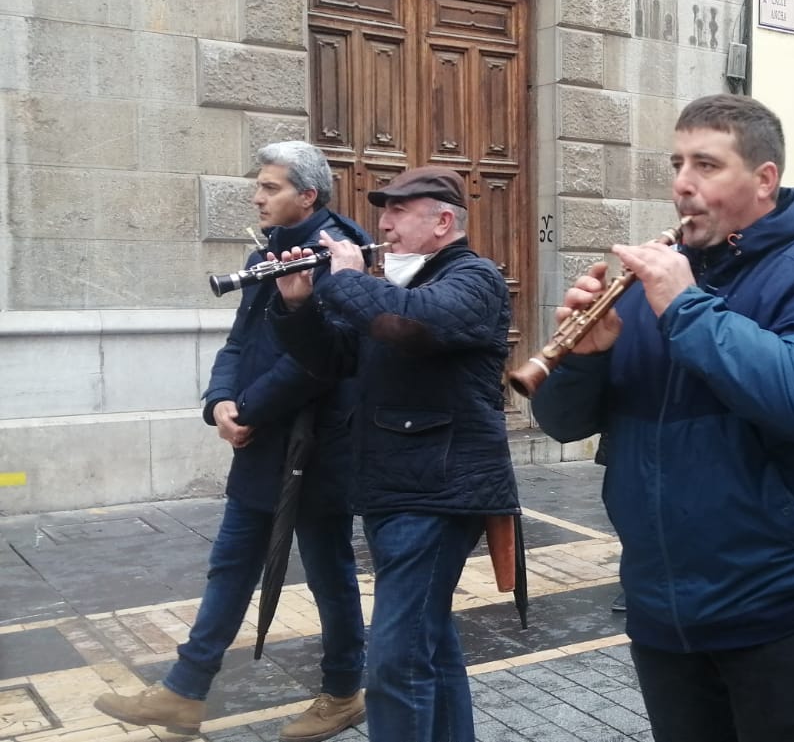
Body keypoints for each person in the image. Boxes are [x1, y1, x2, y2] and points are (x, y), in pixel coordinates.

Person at [529, 94, 794, 742]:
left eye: (706, 164)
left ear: (764, 179)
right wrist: (583, 358)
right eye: (676, 163)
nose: (682, 184)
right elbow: (561, 423)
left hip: (787, 605)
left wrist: (687, 307)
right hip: (665, 608)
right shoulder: (658, 284)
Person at [93, 142, 368, 740]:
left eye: (270, 187)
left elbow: (321, 362)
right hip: (260, 437)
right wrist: (218, 403)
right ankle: (184, 692)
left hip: (316, 446)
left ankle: (345, 690)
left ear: (308, 196)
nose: (257, 197)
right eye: (260, 187)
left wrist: (249, 410)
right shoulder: (264, 253)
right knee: (231, 565)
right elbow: (239, 342)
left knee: (328, 570)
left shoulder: (342, 254)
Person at [269, 166, 520, 742]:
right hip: (397, 489)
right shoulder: (394, 286)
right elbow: (333, 362)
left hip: (438, 492)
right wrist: (298, 304)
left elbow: (411, 325)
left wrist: (343, 279)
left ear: (443, 221)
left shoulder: (473, 277)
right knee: (428, 643)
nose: (383, 224)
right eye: (383, 212)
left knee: (394, 661)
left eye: (400, 212)